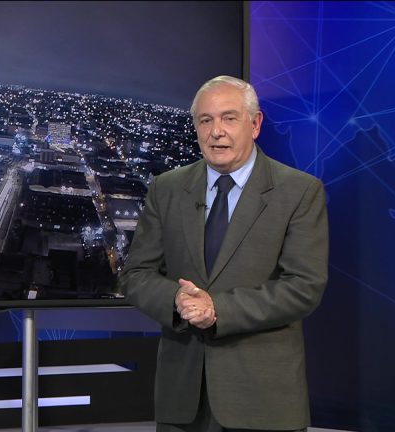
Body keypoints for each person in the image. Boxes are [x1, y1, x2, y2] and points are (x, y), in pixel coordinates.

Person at [118, 75, 328, 432]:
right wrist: (176, 300)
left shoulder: (299, 192)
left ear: (255, 124)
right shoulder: (167, 188)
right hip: (182, 398)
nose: (216, 131)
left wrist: (218, 309)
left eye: (229, 118)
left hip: (262, 400)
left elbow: (303, 287)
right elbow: (136, 274)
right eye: (206, 120)